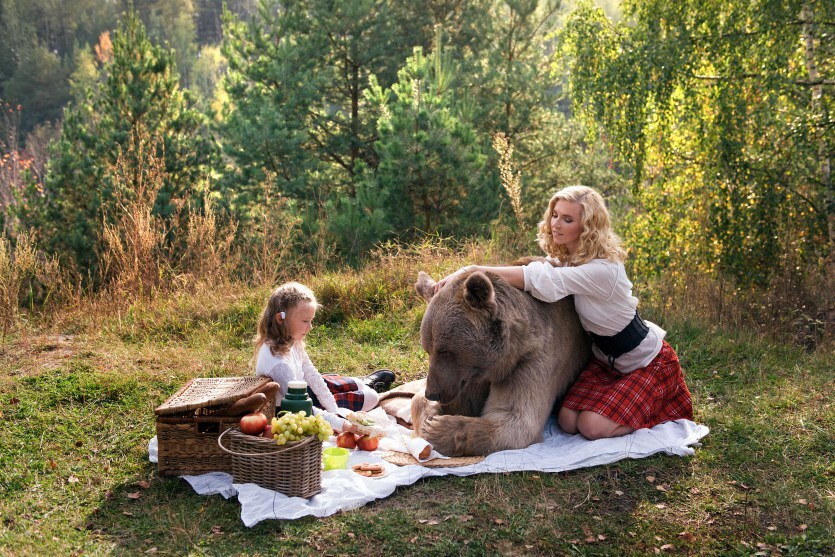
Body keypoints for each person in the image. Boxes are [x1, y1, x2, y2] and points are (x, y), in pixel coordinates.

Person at [436, 185, 692, 440]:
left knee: (591, 427)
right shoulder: (572, 259)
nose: (556, 224)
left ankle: (653, 413)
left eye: (568, 219)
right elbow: (546, 270)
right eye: (555, 215)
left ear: (588, 227)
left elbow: (543, 280)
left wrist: (470, 270)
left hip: (643, 362)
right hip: (604, 363)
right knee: (568, 422)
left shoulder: (604, 270)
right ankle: (619, 411)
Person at [253, 281, 396, 433]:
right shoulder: (278, 364)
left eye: (311, 320)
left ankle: (362, 382)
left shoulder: (290, 339)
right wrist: (342, 424)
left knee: (357, 385)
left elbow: (312, 374)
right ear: (281, 319)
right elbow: (303, 408)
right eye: (305, 321)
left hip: (303, 388)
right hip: (295, 407)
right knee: (371, 397)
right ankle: (367, 385)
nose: (310, 327)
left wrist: (334, 410)